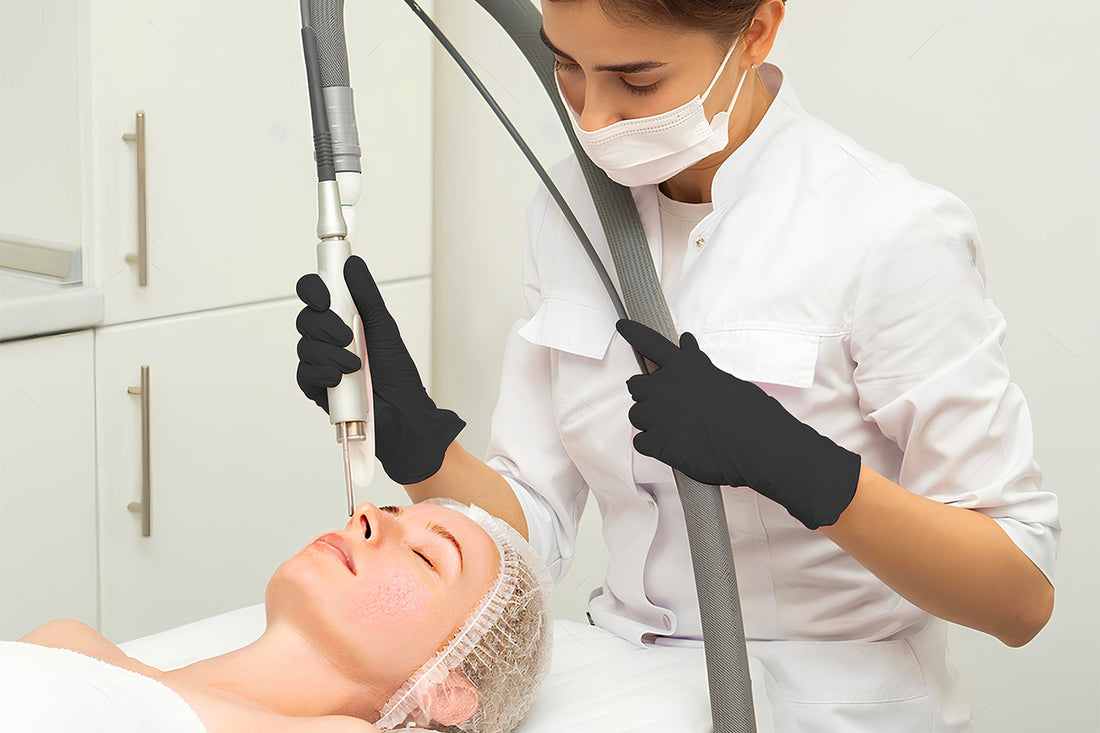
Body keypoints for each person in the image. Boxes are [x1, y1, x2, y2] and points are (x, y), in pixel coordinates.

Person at [295, 1, 1061, 729]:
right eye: (566, 67)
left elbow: (1018, 596)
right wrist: (425, 448)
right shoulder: (568, 208)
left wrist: (793, 462)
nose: (591, 119)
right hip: (618, 685)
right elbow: (534, 529)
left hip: (830, 707)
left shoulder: (888, 234)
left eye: (637, 80)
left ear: (757, 29)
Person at [2, 499, 553, 733]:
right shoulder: (68, 642)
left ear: (446, 692)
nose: (364, 516)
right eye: (386, 511)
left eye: (424, 556)